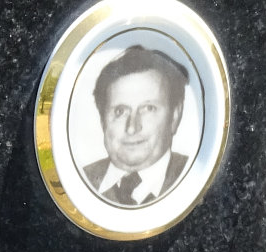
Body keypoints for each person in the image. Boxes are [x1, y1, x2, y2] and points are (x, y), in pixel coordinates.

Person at [80, 44, 191, 206]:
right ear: (103, 120)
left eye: (148, 108)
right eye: (120, 111)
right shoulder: (78, 181)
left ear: (174, 116)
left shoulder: (193, 178)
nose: (132, 127)